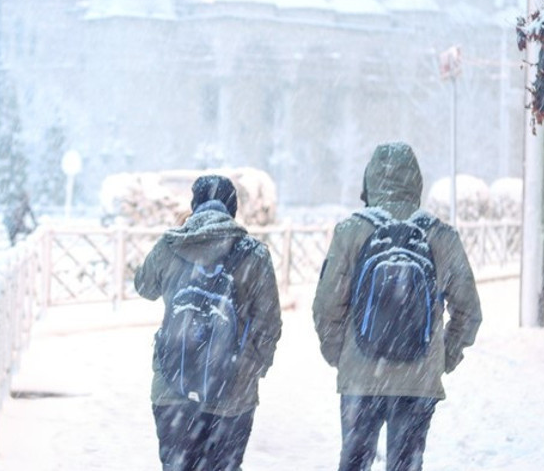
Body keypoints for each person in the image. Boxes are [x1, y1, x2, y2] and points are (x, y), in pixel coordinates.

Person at [312, 142, 482, 471]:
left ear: (370, 180)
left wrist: (342, 355)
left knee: (354, 463)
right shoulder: (440, 235)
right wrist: (444, 357)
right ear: (416, 181)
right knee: (406, 465)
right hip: (418, 380)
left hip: (362, 378)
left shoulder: (351, 232)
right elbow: (469, 311)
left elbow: (326, 307)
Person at [135, 174, 282, 471]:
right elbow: (269, 325)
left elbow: (144, 286)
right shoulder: (254, 254)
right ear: (233, 210)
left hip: (172, 386)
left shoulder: (172, 244)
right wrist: (250, 370)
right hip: (232, 396)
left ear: (194, 205)